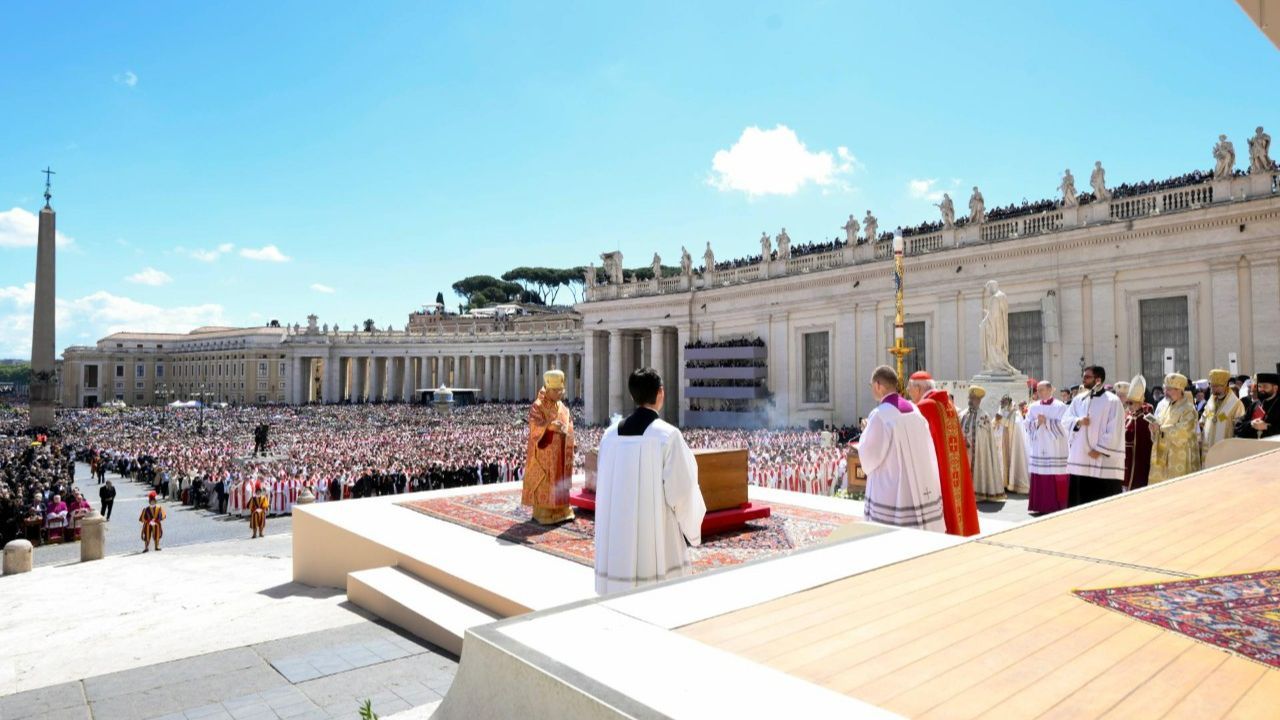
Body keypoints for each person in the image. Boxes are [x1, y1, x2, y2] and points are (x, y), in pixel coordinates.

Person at [594, 367, 705, 595]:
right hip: (656, 536)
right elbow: (683, 491)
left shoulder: (610, 435)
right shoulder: (667, 436)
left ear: (632, 395)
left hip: (616, 537)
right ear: (660, 393)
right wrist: (692, 530)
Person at [857, 366, 945, 530]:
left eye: (871, 386)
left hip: (892, 489)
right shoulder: (915, 410)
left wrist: (865, 433)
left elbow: (869, 457)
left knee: (888, 532)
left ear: (878, 385)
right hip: (918, 484)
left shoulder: (880, 414)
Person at [907, 371, 979, 536]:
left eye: (910, 388)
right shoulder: (947, 403)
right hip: (953, 467)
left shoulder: (925, 406)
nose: (909, 393)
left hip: (939, 470)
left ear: (918, 388)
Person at [1062, 366, 1125, 505]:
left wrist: (1099, 449)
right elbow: (1065, 420)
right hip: (1081, 459)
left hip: (1102, 459)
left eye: (1087, 377)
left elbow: (1115, 429)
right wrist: (1077, 421)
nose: (1083, 380)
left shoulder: (1113, 401)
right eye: (1084, 376)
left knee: (1102, 500)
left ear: (1098, 380)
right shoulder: (1079, 399)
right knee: (1080, 501)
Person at [522, 370, 575, 525]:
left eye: (561, 390)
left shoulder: (563, 407)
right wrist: (549, 427)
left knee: (560, 481)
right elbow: (534, 426)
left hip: (561, 454)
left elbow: (569, 424)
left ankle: (562, 509)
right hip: (545, 455)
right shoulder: (537, 406)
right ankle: (544, 512)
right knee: (546, 482)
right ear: (548, 389)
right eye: (556, 391)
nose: (560, 394)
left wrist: (572, 440)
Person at [1148, 373, 1201, 484]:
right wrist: (1153, 429)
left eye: (1169, 390)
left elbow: (1184, 431)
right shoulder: (1164, 406)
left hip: (1179, 453)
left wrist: (1161, 428)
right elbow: (1159, 426)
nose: (1165, 392)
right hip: (1162, 453)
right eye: (1165, 389)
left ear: (1180, 390)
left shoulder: (1189, 408)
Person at [1025, 381, 1069, 513]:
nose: (1039, 393)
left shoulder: (1061, 406)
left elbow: (1065, 426)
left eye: (1042, 389)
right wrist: (1037, 422)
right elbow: (1026, 424)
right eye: (1038, 390)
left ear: (1050, 390)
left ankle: (1057, 505)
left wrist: (1048, 422)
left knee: (1055, 475)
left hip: (1055, 447)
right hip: (1039, 446)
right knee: (1039, 474)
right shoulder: (1033, 407)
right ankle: (1039, 505)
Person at [959, 387, 1004, 501]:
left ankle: (978, 492)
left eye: (973, 398)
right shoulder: (962, 414)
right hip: (964, 450)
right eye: (970, 398)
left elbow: (985, 438)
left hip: (978, 451)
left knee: (978, 468)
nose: (971, 400)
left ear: (979, 400)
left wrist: (973, 442)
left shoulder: (984, 416)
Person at [1118, 376, 1153, 491]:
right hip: (1126, 456)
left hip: (1137, 459)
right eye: (1127, 403)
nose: (1129, 406)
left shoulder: (1144, 418)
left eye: (1131, 403)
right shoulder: (1129, 415)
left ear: (1140, 402)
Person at [1200, 368, 1245, 455]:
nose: (1213, 388)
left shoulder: (1236, 404)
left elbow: (1239, 428)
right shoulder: (1210, 401)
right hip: (1208, 446)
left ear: (1225, 386)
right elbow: (1204, 419)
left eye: (1216, 386)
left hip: (1225, 448)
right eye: (1212, 386)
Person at [996, 395, 1030, 494]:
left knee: (1013, 461)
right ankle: (1003, 483)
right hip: (1001, 443)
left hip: (1012, 443)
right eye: (1002, 402)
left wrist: (1001, 420)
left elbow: (1014, 425)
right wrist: (996, 421)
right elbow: (995, 423)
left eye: (1005, 402)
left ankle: (1013, 484)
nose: (1003, 404)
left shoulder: (1015, 413)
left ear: (1010, 403)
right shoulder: (1001, 411)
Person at [1235, 372, 1280, 439]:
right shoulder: (1255, 404)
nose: (1261, 389)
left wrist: (1266, 427)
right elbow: (1238, 426)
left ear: (1275, 388)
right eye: (1259, 386)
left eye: (1265, 386)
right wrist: (1251, 424)